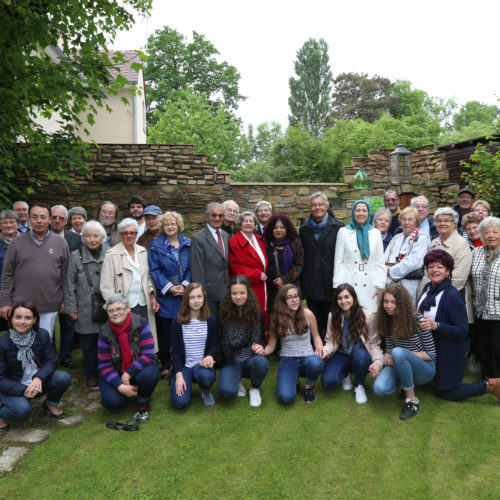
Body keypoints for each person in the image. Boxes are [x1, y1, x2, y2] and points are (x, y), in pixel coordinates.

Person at [418, 249, 500, 403]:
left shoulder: (452, 295)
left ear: (448, 271)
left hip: (448, 352)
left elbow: (462, 331)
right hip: (429, 347)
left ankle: (490, 385)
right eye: (431, 266)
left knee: (445, 392)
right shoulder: (427, 288)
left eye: (439, 267)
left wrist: (436, 325)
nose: (434, 270)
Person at [0, 203, 69, 338]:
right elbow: (7, 275)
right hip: (21, 305)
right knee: (21, 345)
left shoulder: (60, 243)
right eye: (35, 217)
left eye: (43, 217)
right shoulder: (16, 243)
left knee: (44, 343)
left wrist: (65, 301)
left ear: (49, 219)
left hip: (49, 304)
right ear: (29, 219)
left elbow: (65, 276)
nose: (39, 221)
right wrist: (5, 302)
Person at [0, 301, 71, 431]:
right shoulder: (3, 343)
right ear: (11, 319)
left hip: (36, 383)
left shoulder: (41, 335)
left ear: (34, 320)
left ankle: (50, 403)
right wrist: (23, 390)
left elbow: (51, 360)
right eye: (18, 317)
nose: (22, 321)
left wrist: (38, 378)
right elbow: (1, 379)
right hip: (13, 387)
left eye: (28, 318)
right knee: (22, 409)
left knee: (63, 377)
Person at [201, 275, 269, 407]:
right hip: (231, 361)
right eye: (234, 293)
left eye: (242, 292)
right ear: (229, 294)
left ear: (248, 293)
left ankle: (254, 389)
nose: (239, 296)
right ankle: (236, 380)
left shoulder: (258, 314)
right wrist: (210, 354)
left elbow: (261, 338)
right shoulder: (223, 313)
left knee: (261, 362)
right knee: (226, 394)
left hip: (250, 360)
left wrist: (261, 346)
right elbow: (220, 341)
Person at [372, 284, 436, 420]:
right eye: (386, 301)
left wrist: (400, 355)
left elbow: (431, 354)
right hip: (400, 360)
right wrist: (386, 360)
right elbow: (389, 350)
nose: (389, 306)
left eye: (393, 302)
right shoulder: (387, 320)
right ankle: (403, 381)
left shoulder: (418, 321)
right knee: (379, 389)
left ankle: (412, 401)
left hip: (425, 369)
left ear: (402, 303)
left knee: (398, 353)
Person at [100, 218, 159, 351]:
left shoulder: (142, 251)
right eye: (125, 232)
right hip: (124, 306)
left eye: (132, 232)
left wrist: (152, 294)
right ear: (120, 234)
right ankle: (128, 364)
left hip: (143, 303)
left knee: (144, 335)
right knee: (127, 339)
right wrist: (117, 308)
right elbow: (106, 286)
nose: (129, 235)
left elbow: (149, 276)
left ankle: (148, 360)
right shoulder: (111, 254)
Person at [97, 294, 159, 421]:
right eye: (111, 310)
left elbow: (148, 354)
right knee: (111, 402)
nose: (115, 313)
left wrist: (127, 374)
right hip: (116, 370)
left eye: (119, 309)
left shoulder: (141, 323)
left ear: (128, 308)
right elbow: (104, 365)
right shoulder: (104, 331)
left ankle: (143, 400)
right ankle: (122, 394)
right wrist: (120, 385)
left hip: (137, 368)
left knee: (149, 374)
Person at [64, 221, 109, 387]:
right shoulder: (76, 256)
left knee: (107, 340)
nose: (91, 239)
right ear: (82, 237)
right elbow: (69, 284)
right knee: (88, 343)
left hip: (107, 306)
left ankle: (106, 371)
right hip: (84, 307)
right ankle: (91, 373)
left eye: (95, 235)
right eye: (88, 235)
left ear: (102, 237)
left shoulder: (110, 253)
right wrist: (71, 307)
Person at [321, 284, 383, 404]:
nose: (343, 301)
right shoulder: (332, 316)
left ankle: (359, 386)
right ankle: (346, 374)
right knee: (328, 382)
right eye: (339, 298)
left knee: (361, 356)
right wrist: (325, 350)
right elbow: (330, 340)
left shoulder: (368, 315)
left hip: (360, 354)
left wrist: (378, 362)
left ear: (353, 297)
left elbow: (374, 344)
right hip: (341, 354)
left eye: (347, 297)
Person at [264, 284, 325, 404]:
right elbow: (271, 346)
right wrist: (263, 351)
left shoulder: (307, 314)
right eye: (290, 297)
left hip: (308, 358)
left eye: (296, 296)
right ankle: (294, 380)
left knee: (316, 362)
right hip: (288, 360)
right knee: (286, 398)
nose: (294, 300)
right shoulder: (276, 319)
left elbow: (316, 336)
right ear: (282, 301)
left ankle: (309, 386)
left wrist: (319, 349)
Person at [148, 211, 191, 380]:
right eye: (167, 224)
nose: (170, 227)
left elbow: (193, 267)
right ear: (162, 227)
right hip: (165, 294)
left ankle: (183, 362)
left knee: (183, 330)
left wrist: (185, 285)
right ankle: (165, 364)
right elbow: (154, 270)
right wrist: (170, 287)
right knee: (165, 332)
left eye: (173, 224)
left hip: (185, 294)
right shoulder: (155, 245)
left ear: (178, 225)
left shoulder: (188, 243)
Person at [300, 192, 344, 339]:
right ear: (309, 207)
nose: (317, 207)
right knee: (314, 321)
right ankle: (315, 352)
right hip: (311, 282)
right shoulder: (304, 228)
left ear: (326, 206)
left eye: (320, 204)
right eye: (314, 205)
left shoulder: (339, 227)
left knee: (331, 321)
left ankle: (330, 350)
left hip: (330, 281)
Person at [418, 207, 473, 321]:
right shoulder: (434, 242)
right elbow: (426, 273)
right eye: (439, 220)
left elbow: (459, 278)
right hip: (429, 300)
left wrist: (434, 296)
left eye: (446, 220)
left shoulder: (461, 244)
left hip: (449, 302)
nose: (442, 223)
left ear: (454, 223)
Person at [333, 200, 386, 312]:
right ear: (353, 213)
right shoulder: (343, 232)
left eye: (364, 210)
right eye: (357, 210)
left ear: (368, 213)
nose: (361, 213)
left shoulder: (376, 233)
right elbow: (338, 261)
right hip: (350, 281)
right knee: (350, 316)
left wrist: (380, 285)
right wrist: (338, 286)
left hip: (370, 283)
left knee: (370, 318)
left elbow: (379, 262)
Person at [170, 283, 217, 409]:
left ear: (204, 298)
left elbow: (214, 345)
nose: (196, 301)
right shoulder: (178, 322)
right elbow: (175, 351)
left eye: (199, 296)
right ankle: (182, 380)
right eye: (192, 297)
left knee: (206, 377)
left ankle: (205, 390)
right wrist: (178, 374)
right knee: (180, 402)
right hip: (185, 366)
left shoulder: (211, 320)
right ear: (186, 299)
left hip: (202, 366)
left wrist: (209, 356)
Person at [50, 204, 83, 369]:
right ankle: (48, 358)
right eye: (54, 217)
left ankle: (65, 355)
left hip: (69, 287)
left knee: (68, 325)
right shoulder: (41, 237)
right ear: (50, 219)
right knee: (46, 325)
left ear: (66, 221)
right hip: (47, 289)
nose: (57, 221)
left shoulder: (76, 239)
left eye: (61, 218)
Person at [471, 217, 500, 380]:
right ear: (482, 235)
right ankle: (487, 381)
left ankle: (498, 382)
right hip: (480, 310)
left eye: (495, 231)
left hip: (498, 312)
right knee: (483, 346)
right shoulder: (476, 252)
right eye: (487, 232)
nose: (491, 235)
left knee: (497, 347)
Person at [190, 202, 229, 317]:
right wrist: (201, 294)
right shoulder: (198, 238)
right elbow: (197, 269)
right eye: (213, 215)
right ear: (206, 216)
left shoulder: (227, 236)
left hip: (226, 294)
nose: (217, 218)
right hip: (209, 295)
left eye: (220, 215)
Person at [384, 206, 430, 302]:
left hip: (409, 286)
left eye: (410, 220)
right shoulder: (396, 238)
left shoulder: (421, 238)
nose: (406, 223)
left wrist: (391, 271)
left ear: (416, 222)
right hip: (390, 285)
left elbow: (414, 262)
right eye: (404, 219)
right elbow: (385, 259)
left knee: (407, 313)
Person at [229, 211, 268, 322]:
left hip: (262, 286)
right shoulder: (234, 241)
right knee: (250, 317)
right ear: (240, 224)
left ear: (255, 224)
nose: (248, 223)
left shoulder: (259, 240)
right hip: (247, 287)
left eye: (251, 221)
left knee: (262, 317)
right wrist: (257, 275)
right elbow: (235, 266)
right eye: (245, 221)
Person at [263, 214, 304, 313]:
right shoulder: (265, 243)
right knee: (273, 317)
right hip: (270, 289)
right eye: (275, 227)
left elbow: (299, 264)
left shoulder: (295, 242)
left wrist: (284, 280)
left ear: (287, 229)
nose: (279, 230)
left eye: (282, 227)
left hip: (290, 287)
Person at [0, 210, 19, 288]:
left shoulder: (28, 240)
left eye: (12, 222)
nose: (9, 225)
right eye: (5, 223)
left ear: (17, 224)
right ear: (0, 226)